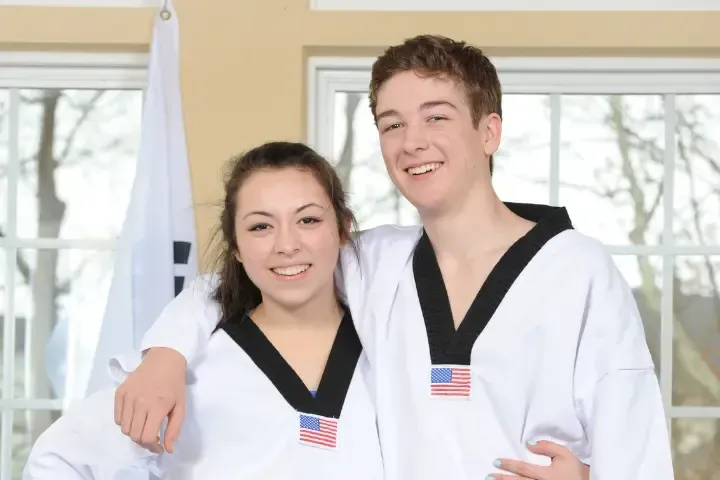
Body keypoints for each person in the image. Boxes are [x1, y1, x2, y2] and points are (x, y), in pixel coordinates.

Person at [112, 36, 674, 479]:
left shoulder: (578, 271)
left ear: (489, 131)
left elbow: (634, 436)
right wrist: (164, 356)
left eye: (437, 116)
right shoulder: (377, 264)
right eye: (392, 124)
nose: (412, 141)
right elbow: (250, 271)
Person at [23, 142, 384, 479]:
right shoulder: (190, 368)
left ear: (342, 229)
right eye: (261, 226)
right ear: (237, 248)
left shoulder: (387, 349)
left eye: (308, 220)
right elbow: (58, 459)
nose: (287, 245)